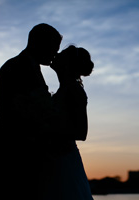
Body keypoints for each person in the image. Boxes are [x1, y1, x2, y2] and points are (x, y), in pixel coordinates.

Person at [0, 23, 62, 200]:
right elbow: (23, 113)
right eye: (53, 48)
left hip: (19, 153)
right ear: (39, 43)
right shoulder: (19, 67)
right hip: (16, 154)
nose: (55, 54)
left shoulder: (27, 66)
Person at [44, 45, 94, 200]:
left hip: (64, 160)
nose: (56, 55)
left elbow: (81, 132)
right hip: (56, 159)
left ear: (68, 63)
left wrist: (49, 131)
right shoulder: (64, 88)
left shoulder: (74, 90)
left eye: (61, 54)